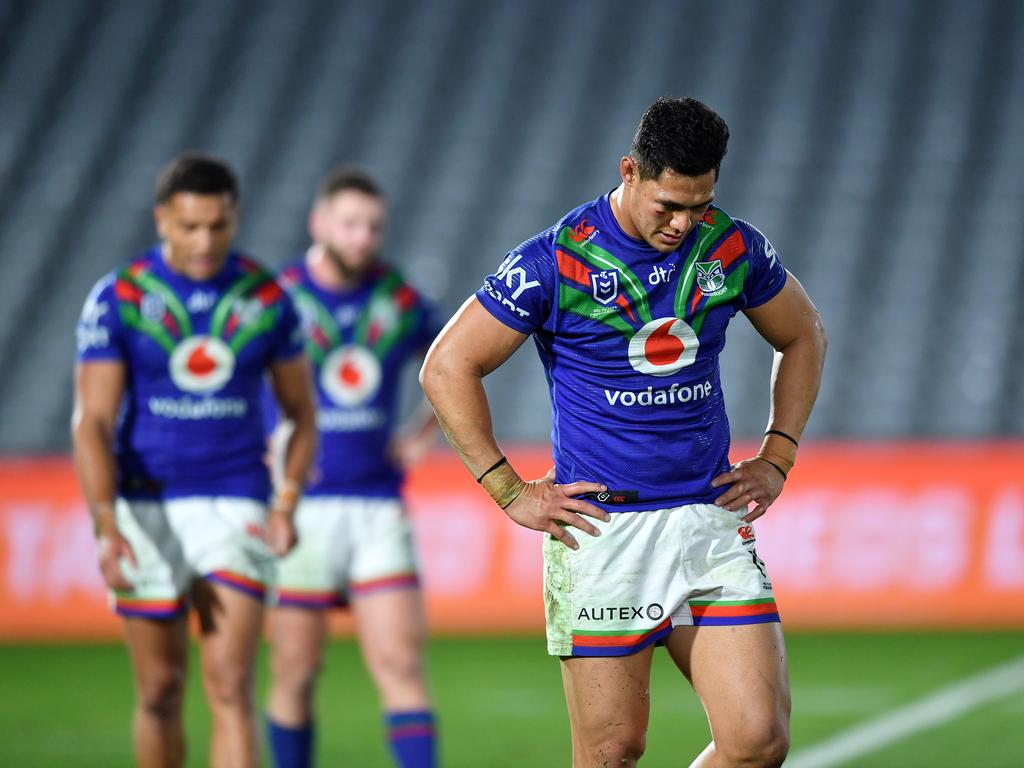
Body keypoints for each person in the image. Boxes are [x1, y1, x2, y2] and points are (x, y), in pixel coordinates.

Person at [420, 97, 827, 768]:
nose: (682, 223)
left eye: (698, 205)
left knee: (757, 740)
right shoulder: (555, 260)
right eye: (668, 204)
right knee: (613, 752)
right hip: (606, 533)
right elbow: (448, 367)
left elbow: (803, 333)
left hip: (708, 516)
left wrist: (778, 455)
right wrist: (507, 490)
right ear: (630, 170)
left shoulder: (732, 247)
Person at [72, 152, 317, 768]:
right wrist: (104, 525)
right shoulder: (120, 297)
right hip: (145, 505)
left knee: (230, 683)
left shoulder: (267, 298)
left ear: (234, 220)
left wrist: (285, 502)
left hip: (236, 502)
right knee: (159, 691)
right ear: (162, 221)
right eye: (190, 226)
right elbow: (93, 422)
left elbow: (302, 414)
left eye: (218, 225)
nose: (205, 240)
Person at [264, 167, 441, 768]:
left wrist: (420, 435)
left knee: (400, 665)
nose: (363, 237)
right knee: (295, 670)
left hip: (377, 504)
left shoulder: (400, 297)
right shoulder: (277, 295)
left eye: (373, 226)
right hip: (302, 506)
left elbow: (457, 363)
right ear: (319, 224)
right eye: (350, 224)